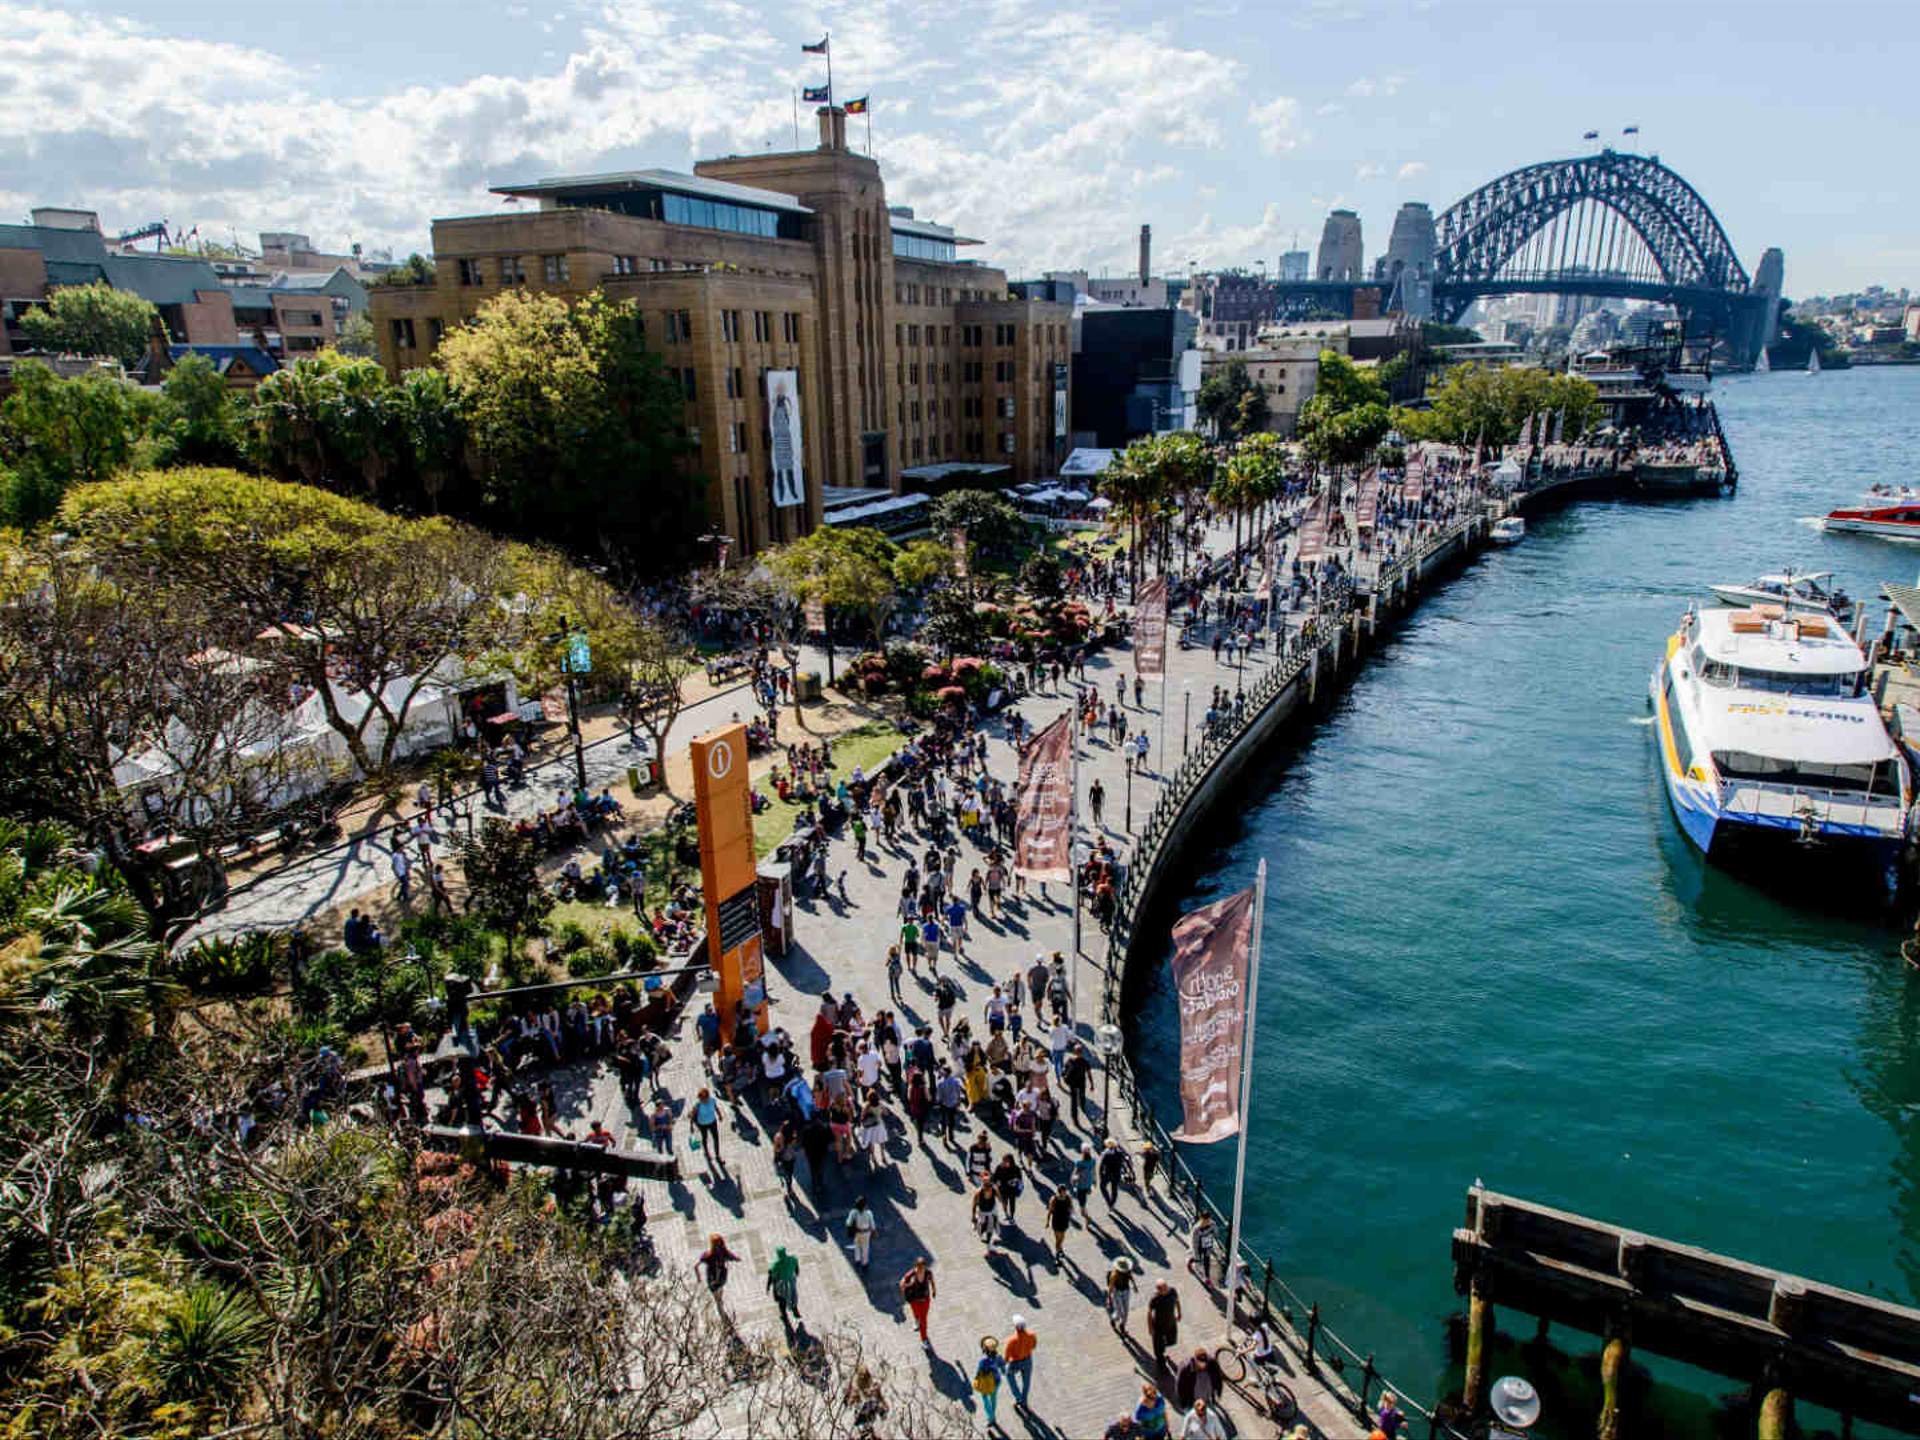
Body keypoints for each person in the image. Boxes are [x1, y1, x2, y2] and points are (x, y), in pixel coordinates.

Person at [695, 1233, 741, 1309]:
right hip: (720, 1276)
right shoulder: (722, 1252)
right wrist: (736, 1259)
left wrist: (698, 1278)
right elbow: (733, 1257)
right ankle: (719, 1301)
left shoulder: (707, 1255)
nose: (718, 1246)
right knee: (719, 1290)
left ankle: (719, 1302)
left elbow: (696, 1266)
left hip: (714, 1278)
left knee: (716, 1291)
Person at [899, 1255, 936, 1346]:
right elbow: (902, 1284)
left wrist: (934, 1290)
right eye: (919, 1268)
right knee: (916, 1313)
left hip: (925, 1300)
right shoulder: (911, 1274)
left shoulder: (928, 1273)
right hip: (914, 1300)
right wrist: (909, 1284)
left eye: (922, 1268)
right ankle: (916, 1320)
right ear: (916, 1266)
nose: (920, 1270)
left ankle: (924, 1339)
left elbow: (932, 1281)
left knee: (923, 1319)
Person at [1003, 1316, 1038, 1410]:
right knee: (1026, 1382)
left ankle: (1018, 1397)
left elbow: (1006, 1356)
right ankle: (1024, 1401)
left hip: (1015, 1362)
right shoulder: (1032, 1335)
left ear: (1015, 1327)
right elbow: (1034, 1346)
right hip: (1027, 1360)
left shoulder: (1012, 1341)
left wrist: (1005, 1363)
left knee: (1008, 1375)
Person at [1147, 1280, 1182, 1371]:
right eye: (1163, 1289)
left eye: (1166, 1287)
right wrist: (1150, 1328)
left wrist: (1179, 1313)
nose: (1166, 1290)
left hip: (1171, 1322)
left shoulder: (1173, 1291)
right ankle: (1161, 1365)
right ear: (1158, 1290)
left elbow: (1177, 1301)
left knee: (1171, 1341)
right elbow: (1149, 1313)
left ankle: (1162, 1348)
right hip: (1158, 1326)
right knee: (1158, 1349)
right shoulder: (1155, 1298)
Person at [973, 1337, 1006, 1428]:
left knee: (985, 1399)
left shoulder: (983, 1361)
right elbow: (1003, 1369)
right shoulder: (998, 1357)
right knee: (993, 1399)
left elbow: (979, 1372)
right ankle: (992, 1414)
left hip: (986, 1383)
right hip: (996, 1382)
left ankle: (991, 1417)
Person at [766, 1245, 800, 1326]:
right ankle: (794, 1308)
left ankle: (784, 1316)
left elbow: (772, 1277)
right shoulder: (793, 1259)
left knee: (782, 1300)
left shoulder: (775, 1265)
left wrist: (768, 1287)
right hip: (791, 1281)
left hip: (782, 1284)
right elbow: (797, 1270)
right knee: (793, 1295)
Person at [1106, 1255, 1138, 1332]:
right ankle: (1113, 1319)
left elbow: (1131, 1277)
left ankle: (1122, 1325)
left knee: (1126, 1311)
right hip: (1117, 1292)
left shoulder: (1128, 1271)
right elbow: (1111, 1286)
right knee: (1119, 1312)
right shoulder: (1114, 1275)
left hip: (1126, 1291)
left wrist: (1134, 1285)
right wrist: (1109, 1297)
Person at [846, 1194, 877, 1270]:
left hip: (857, 1232)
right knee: (865, 1247)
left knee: (857, 1245)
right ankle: (865, 1263)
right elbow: (872, 1225)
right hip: (866, 1233)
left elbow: (848, 1223)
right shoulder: (869, 1213)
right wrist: (874, 1232)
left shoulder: (853, 1213)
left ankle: (857, 1259)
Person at [1187, 1212, 1216, 1286]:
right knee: (1198, 1259)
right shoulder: (1196, 1229)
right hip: (1199, 1246)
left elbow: (1216, 1232)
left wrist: (1213, 1233)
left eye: (1208, 1220)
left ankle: (1207, 1278)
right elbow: (1194, 1242)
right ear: (1201, 1219)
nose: (1207, 1222)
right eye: (1205, 1220)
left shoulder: (1213, 1224)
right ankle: (1191, 1260)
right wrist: (1195, 1252)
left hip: (1207, 1245)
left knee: (1207, 1261)